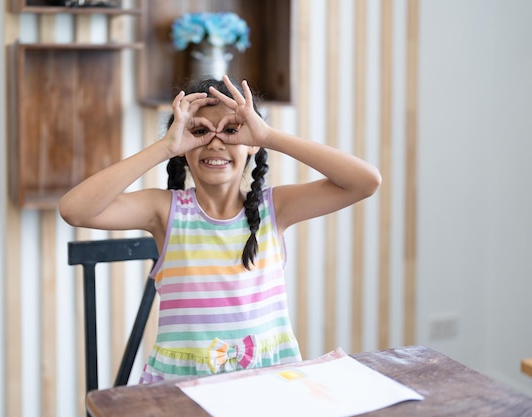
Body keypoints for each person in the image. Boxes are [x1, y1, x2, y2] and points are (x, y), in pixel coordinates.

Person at [59, 75, 381, 383]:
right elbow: (75, 209)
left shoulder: (276, 208)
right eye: (199, 131)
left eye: (231, 130)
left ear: (251, 143)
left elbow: (365, 182)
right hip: (181, 390)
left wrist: (269, 136)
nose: (215, 142)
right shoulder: (164, 211)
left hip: (267, 387)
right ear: (183, 146)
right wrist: (164, 147)